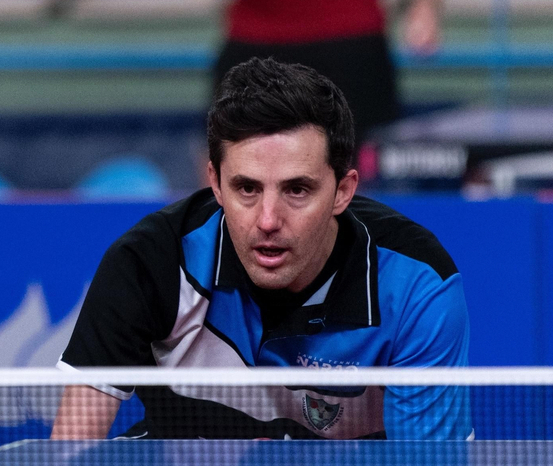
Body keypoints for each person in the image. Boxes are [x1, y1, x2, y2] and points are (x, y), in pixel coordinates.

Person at [51, 57, 470, 441]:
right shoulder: (149, 266)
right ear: (214, 183)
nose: (268, 220)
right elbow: (69, 462)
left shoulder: (415, 285)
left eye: (297, 189)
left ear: (343, 191)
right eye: (247, 188)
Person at [188, 0, 445, 136]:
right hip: (264, 33)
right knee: (223, 161)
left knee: (363, 170)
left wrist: (426, 5)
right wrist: (425, 5)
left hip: (349, 36)